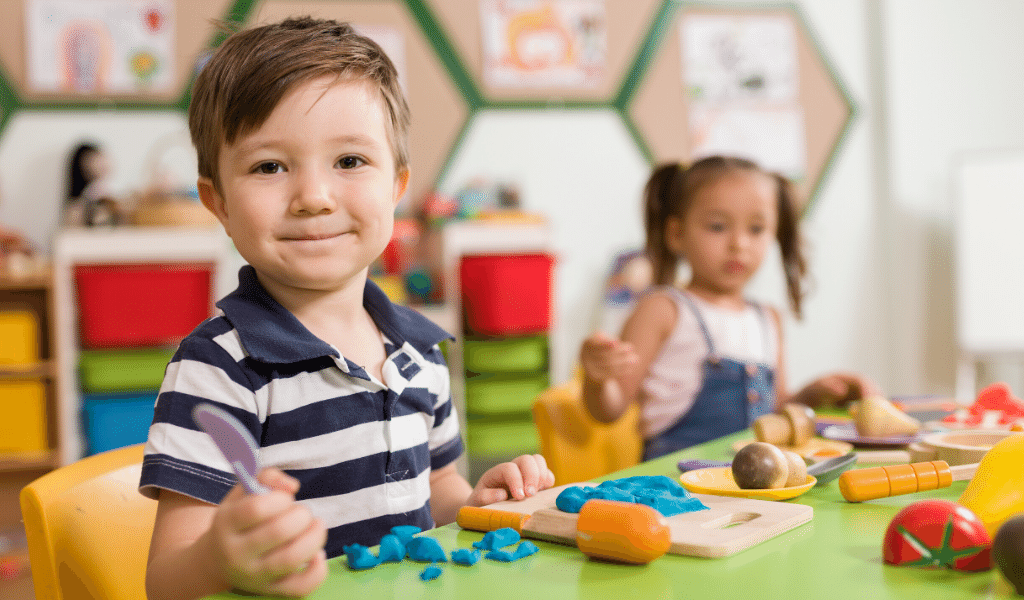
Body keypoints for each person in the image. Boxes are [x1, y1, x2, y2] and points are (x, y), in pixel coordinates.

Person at [140, 17, 554, 600]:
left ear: (396, 186)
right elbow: (165, 582)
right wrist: (218, 561)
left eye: (350, 161)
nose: (313, 198)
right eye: (269, 167)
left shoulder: (420, 352)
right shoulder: (217, 369)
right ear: (219, 203)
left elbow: (437, 491)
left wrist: (480, 502)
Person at [580, 157, 879, 461]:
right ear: (676, 234)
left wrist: (811, 396)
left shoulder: (768, 319)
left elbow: (772, 411)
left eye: (756, 228)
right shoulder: (663, 310)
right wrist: (597, 378)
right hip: (676, 487)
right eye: (718, 226)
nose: (739, 243)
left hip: (753, 486)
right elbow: (609, 410)